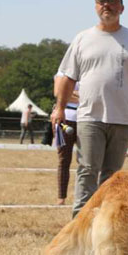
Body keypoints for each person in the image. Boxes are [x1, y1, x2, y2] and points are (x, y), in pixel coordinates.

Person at [53, 0, 128, 217]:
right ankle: (80, 221)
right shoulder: (83, 38)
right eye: (101, 0)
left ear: (122, 7)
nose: (106, 4)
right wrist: (59, 108)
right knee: (88, 170)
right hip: (90, 116)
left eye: (111, 0)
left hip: (122, 117)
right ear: (95, 7)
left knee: (112, 175)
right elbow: (66, 76)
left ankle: (105, 222)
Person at [53, 73, 79, 205]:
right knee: (64, 160)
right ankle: (61, 196)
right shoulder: (62, 71)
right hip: (65, 120)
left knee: (87, 161)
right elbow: (58, 92)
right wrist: (84, 96)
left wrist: (69, 93)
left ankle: (83, 196)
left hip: (86, 119)